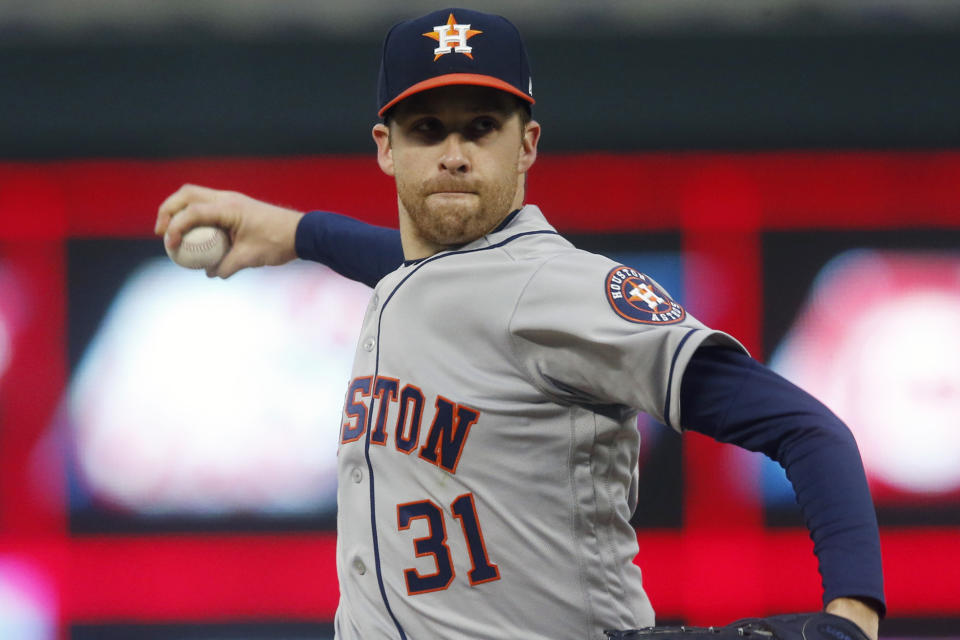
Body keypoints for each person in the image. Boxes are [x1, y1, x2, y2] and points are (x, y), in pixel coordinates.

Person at [155, 8, 884, 640]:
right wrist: (295, 231)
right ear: (386, 146)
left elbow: (807, 429)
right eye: (427, 128)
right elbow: (422, 272)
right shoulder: (417, 282)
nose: (454, 155)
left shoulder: (565, 287)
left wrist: (852, 616)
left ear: (527, 143)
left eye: (482, 128)